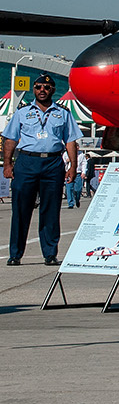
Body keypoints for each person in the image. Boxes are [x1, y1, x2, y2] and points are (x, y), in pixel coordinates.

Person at [3, 76, 82, 266]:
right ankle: (15, 254)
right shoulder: (22, 113)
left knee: (51, 210)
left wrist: (72, 166)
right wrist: (7, 163)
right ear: (34, 90)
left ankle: (50, 253)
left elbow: (70, 140)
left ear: (53, 90)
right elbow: (10, 139)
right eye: (38, 87)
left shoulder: (63, 114)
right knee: (21, 209)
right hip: (27, 162)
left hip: (52, 162)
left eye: (47, 87)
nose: (42, 90)